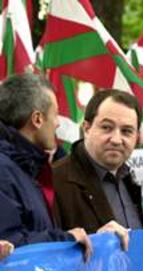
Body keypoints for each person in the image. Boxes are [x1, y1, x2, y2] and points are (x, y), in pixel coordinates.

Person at [52, 89, 143, 249]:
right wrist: (97, 241)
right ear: (86, 128)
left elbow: (132, 246)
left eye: (126, 131)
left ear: (137, 137)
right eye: (106, 127)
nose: (116, 140)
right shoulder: (56, 180)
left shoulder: (128, 179)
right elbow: (45, 254)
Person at [0, 73, 92, 260]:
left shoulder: (25, 169)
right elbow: (9, 244)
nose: (58, 124)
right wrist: (65, 239)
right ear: (37, 119)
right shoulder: (4, 170)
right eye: (56, 114)